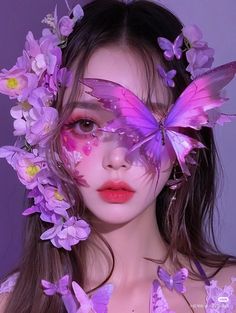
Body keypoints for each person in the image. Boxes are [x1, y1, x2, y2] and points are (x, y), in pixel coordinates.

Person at [0, 0, 236, 312]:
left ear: (187, 136)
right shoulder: (11, 304)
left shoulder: (228, 295)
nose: (118, 158)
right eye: (86, 124)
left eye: (150, 125)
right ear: (46, 133)